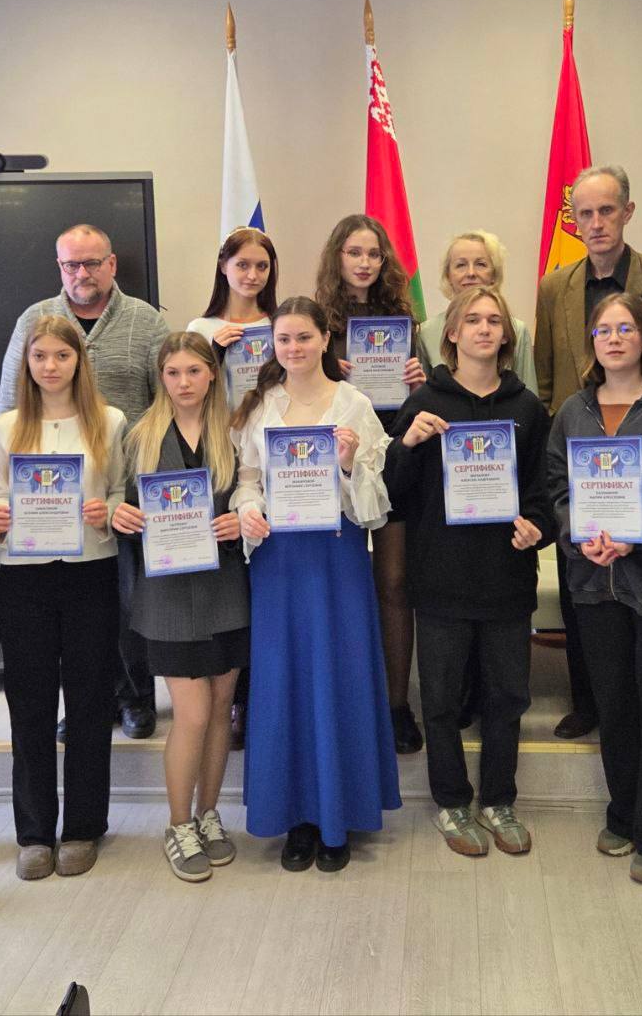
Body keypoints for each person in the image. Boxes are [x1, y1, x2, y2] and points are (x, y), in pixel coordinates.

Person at [233, 296, 401, 873]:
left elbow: (375, 504)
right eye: (283, 339)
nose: (293, 348)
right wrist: (249, 509)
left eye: (303, 337)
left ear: (326, 339)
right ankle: (296, 818)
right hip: (278, 560)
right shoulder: (261, 405)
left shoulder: (355, 404)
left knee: (338, 675)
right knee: (284, 681)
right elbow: (247, 479)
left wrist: (351, 464)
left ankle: (339, 816)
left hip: (337, 559)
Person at [534, 165, 642, 740]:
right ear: (573, 220)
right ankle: (589, 701)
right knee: (584, 589)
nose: (597, 222)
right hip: (582, 458)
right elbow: (548, 382)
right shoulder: (554, 287)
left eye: (607, 210)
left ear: (628, 212)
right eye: (585, 213)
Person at [385, 286, 552, 858]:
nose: (484, 328)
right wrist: (408, 443)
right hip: (441, 577)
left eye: (494, 321)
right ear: (451, 333)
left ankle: (499, 799)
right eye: (472, 320)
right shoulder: (424, 403)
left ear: (507, 335)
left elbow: (543, 492)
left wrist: (537, 526)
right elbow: (391, 494)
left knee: (507, 696)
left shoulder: (527, 409)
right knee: (440, 699)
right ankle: (452, 801)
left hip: (506, 577)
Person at [547, 293, 642, 885]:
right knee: (614, 705)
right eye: (603, 330)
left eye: (626, 329)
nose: (614, 339)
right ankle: (626, 814)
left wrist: (640, 537)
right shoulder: (573, 410)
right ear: (591, 342)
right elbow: (558, 487)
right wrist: (577, 533)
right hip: (592, 585)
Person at [0, 223, 169, 741]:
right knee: (76, 614)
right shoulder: (34, 319)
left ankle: (135, 697)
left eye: (92, 262)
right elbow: (9, 403)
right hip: (50, 497)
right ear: (60, 267)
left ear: (111, 264)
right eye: (71, 264)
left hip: (126, 487)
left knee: (128, 601)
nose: (82, 273)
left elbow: (166, 401)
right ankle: (89, 704)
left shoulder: (146, 321)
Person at [0, 316, 127, 881]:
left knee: (90, 701)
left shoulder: (110, 421)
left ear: (78, 361)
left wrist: (105, 512)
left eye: (61, 356)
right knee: (30, 704)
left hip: (91, 570)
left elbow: (120, 493)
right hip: (24, 577)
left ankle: (84, 827)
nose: (50, 366)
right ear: (26, 363)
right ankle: (34, 832)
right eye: (40, 356)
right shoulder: (5, 427)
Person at [112, 333, 248, 883]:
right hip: (167, 597)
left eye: (194, 371)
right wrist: (121, 516)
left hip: (226, 590)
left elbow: (255, 496)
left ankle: (209, 815)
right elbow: (117, 503)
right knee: (191, 714)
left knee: (219, 711)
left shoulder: (234, 431)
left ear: (212, 373)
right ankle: (178, 824)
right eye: (173, 373)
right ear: (160, 378)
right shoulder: (138, 436)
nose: (184, 382)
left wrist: (243, 519)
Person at [315, 214, 428, 755]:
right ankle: (343, 699)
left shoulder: (404, 321)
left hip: (394, 461)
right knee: (337, 586)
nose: (365, 263)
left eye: (374, 254)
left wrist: (419, 380)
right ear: (337, 257)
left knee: (394, 584)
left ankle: (397, 705)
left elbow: (423, 401)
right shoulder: (317, 322)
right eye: (354, 252)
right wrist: (323, 371)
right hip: (334, 467)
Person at [187, 225, 279, 750]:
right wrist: (212, 354)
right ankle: (229, 694)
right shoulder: (201, 328)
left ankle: (256, 694)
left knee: (261, 581)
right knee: (229, 583)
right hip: (219, 463)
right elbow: (183, 392)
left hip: (269, 465)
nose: (251, 274)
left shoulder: (279, 325)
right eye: (242, 264)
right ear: (223, 267)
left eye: (261, 266)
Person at [418, 230, 537, 393]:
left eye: (481, 264)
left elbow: (528, 396)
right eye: (461, 265)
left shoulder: (517, 330)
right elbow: (422, 394)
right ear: (448, 276)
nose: (471, 273)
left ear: (494, 274)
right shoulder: (426, 332)